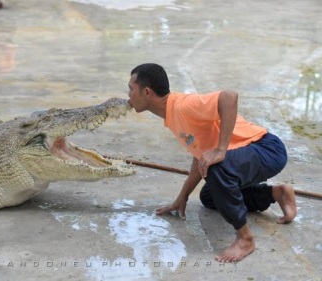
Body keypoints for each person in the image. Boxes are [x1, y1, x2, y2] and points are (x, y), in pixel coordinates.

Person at [127, 63, 297, 263]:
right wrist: (182, 197)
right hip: (252, 153)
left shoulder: (183, 105)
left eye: (131, 89)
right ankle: (276, 193)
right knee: (210, 196)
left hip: (266, 149)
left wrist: (221, 149)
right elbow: (200, 156)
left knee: (217, 168)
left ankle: (245, 238)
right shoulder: (173, 114)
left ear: (146, 92)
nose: (128, 95)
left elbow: (229, 96)